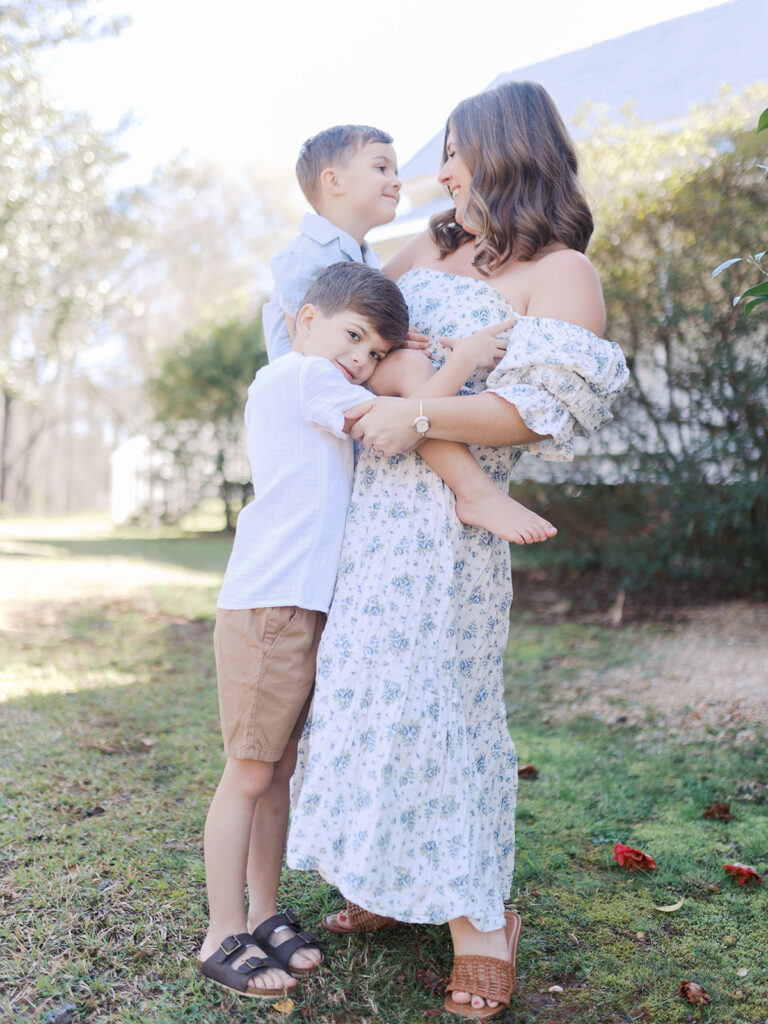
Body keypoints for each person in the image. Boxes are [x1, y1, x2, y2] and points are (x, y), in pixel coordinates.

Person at [287, 81, 629, 1020]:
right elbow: (359, 325)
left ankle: (483, 922)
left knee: (438, 702)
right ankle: (389, 877)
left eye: (455, 153)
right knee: (362, 691)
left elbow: (537, 413)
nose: (439, 174)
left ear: (508, 152)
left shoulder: (562, 272)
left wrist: (419, 411)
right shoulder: (440, 243)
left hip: (449, 531)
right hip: (368, 516)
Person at [196, 262, 409, 999]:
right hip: (272, 604)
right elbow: (385, 419)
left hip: (301, 603)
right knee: (249, 772)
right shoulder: (299, 376)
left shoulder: (314, 379)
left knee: (277, 772)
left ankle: (263, 911)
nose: (363, 360)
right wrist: (462, 361)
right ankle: (222, 929)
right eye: (355, 336)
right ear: (303, 320)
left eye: (377, 351)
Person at [263, 123, 557, 545]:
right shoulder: (306, 254)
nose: (397, 181)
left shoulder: (365, 256)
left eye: (396, 170)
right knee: (407, 369)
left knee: (404, 365)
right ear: (333, 182)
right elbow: (302, 342)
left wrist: (389, 340)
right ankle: (474, 492)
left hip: (330, 389)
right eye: (381, 168)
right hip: (306, 389)